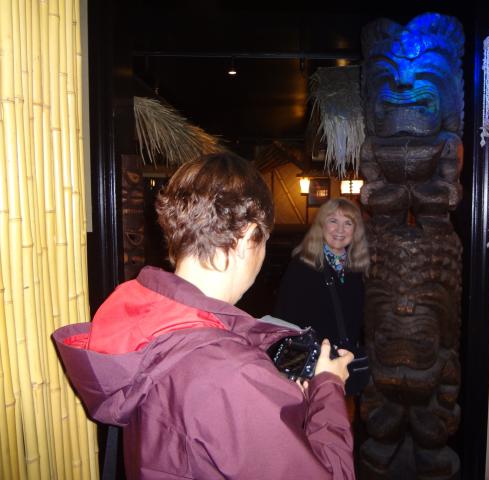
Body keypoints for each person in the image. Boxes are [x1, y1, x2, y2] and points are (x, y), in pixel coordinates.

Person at [52, 152, 355, 480]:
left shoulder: (140, 315)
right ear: (246, 237)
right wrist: (329, 386)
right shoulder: (232, 374)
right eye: (263, 241)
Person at [275, 198, 369, 396]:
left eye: (348, 223)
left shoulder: (358, 269)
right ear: (321, 225)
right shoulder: (302, 267)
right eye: (333, 221)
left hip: (344, 364)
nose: (340, 229)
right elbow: (285, 320)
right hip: (313, 368)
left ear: (356, 230)